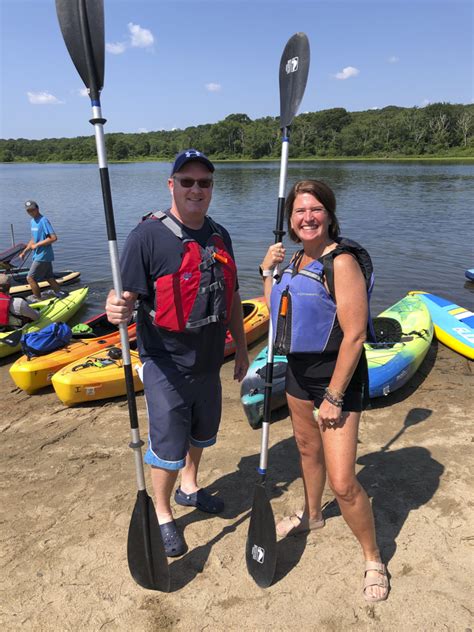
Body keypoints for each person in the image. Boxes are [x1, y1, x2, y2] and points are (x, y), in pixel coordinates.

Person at [106, 149, 249, 557]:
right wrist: (115, 303)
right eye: (187, 181)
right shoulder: (146, 236)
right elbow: (123, 295)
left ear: (211, 188)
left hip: (209, 360)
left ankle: (190, 487)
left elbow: (234, 295)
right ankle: (165, 513)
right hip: (165, 362)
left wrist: (240, 348)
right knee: (168, 445)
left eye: (204, 182)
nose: (196, 189)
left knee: (202, 432)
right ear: (172, 185)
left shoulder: (220, 234)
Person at [259, 179, 389, 603]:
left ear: (329, 215)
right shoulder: (292, 258)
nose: (307, 217)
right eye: (299, 212)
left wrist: (334, 396)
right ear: (291, 221)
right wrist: (266, 272)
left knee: (343, 480)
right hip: (298, 370)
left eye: (315, 210)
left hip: (338, 375)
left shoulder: (342, 262)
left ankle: (373, 557)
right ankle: (312, 516)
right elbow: (277, 311)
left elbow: (354, 336)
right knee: (306, 450)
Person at [18, 200, 65, 300]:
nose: (31, 212)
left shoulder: (43, 220)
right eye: (28, 211)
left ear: (37, 208)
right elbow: (33, 239)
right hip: (39, 254)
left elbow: (53, 238)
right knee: (49, 277)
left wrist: (37, 245)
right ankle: (60, 294)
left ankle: (38, 299)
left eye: (32, 210)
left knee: (30, 278)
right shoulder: (32, 221)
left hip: (43, 255)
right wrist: (24, 252)